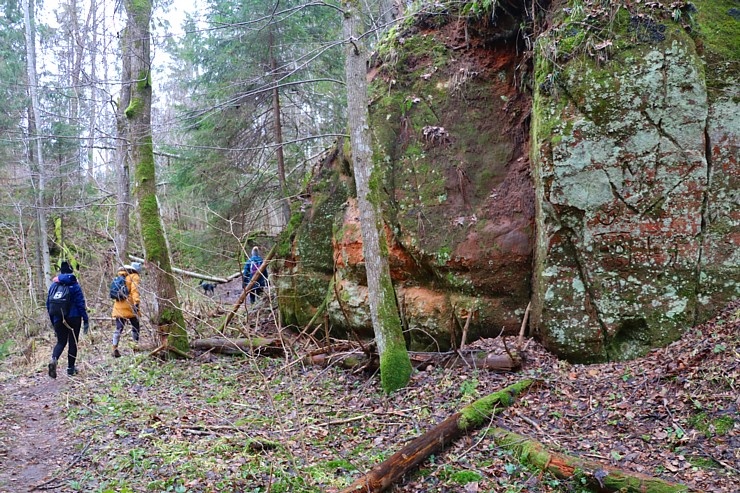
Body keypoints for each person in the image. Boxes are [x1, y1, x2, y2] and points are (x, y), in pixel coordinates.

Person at [46, 261, 89, 378]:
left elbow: (48, 305)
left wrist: (53, 321)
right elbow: (80, 304)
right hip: (74, 317)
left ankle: (54, 359)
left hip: (58, 317)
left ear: (60, 272)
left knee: (61, 342)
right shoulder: (75, 285)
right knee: (73, 342)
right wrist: (86, 319)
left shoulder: (54, 286)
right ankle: (70, 368)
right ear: (71, 271)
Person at [111, 262, 142, 358]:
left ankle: (114, 347)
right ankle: (135, 346)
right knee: (135, 326)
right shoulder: (134, 277)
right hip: (130, 306)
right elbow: (134, 291)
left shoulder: (121, 276)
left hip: (118, 306)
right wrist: (136, 303)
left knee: (119, 328)